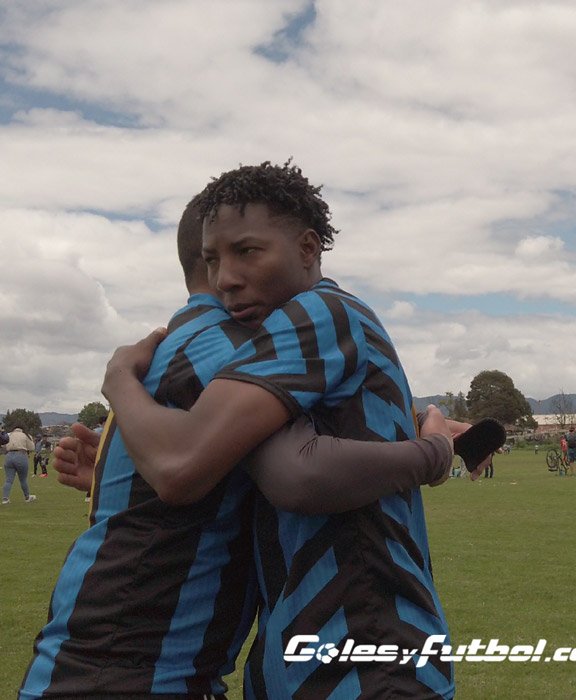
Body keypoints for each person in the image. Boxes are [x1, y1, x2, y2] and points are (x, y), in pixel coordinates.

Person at [21, 191, 461, 699]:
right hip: (140, 672)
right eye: (218, 258)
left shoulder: (181, 351)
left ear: (307, 248)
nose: (229, 275)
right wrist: (434, 454)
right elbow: (277, 470)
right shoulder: (229, 349)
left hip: (103, 661)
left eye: (247, 251)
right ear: (203, 261)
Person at [2, 426, 37, 505]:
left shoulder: (9, 435)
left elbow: (4, 446)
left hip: (8, 456)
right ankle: (27, 497)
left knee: (9, 479)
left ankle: (5, 498)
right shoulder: (25, 435)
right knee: (23, 479)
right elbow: (32, 448)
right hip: (21, 455)